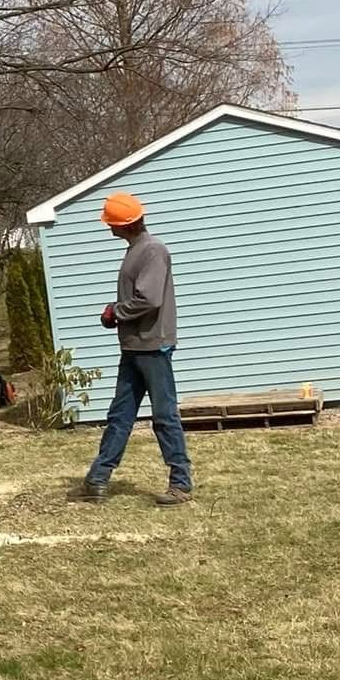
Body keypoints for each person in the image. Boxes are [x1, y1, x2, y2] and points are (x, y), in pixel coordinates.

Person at [82, 191, 194, 505]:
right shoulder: (136, 249)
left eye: (110, 224)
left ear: (123, 225)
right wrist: (116, 314)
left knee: (164, 415)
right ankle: (98, 479)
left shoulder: (153, 251)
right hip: (134, 346)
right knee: (120, 415)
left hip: (152, 346)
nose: (108, 228)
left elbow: (150, 299)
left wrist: (115, 312)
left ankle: (181, 484)